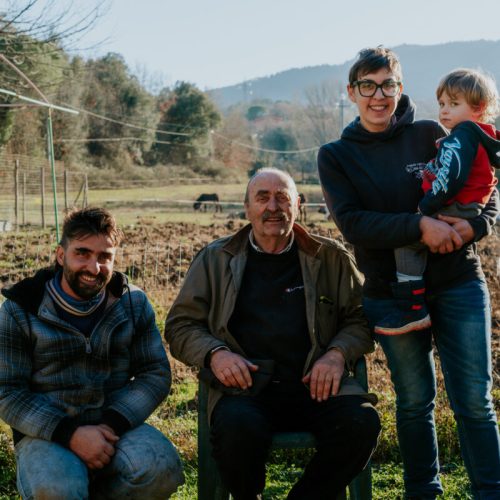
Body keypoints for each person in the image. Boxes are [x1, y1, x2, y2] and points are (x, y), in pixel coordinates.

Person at [318, 47, 500, 499]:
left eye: (388, 85)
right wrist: (420, 224)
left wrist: (478, 224)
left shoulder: (430, 132)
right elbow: (354, 223)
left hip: (458, 280)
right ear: (352, 92)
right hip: (390, 292)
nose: (379, 95)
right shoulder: (336, 155)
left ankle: (491, 491)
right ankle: (423, 491)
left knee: (475, 403)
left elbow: (485, 183)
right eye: (368, 86)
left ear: (400, 89)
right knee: (416, 402)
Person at [165, 167, 380, 500]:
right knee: (237, 431)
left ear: (298, 204)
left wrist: (337, 354)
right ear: (247, 208)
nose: (273, 207)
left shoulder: (331, 257)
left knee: (361, 424)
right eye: (262, 198)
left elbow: (362, 319)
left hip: (317, 387)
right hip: (246, 391)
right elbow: (180, 325)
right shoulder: (215, 259)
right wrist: (215, 353)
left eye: (282, 197)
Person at [0, 207, 184, 500]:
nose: (94, 267)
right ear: (61, 255)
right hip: (46, 431)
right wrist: (69, 434)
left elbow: (155, 373)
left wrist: (109, 425)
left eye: (104, 257)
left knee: (162, 470)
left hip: (116, 424)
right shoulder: (20, 309)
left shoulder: (133, 303)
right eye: (82, 253)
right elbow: (6, 391)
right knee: (57, 491)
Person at [375, 67, 500, 335]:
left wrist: (425, 208)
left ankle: (411, 308)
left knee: (407, 242)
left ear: (478, 107)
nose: (444, 111)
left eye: (454, 104)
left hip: (455, 206)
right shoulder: (476, 136)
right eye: (442, 103)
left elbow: (450, 178)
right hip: (469, 207)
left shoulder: (463, 136)